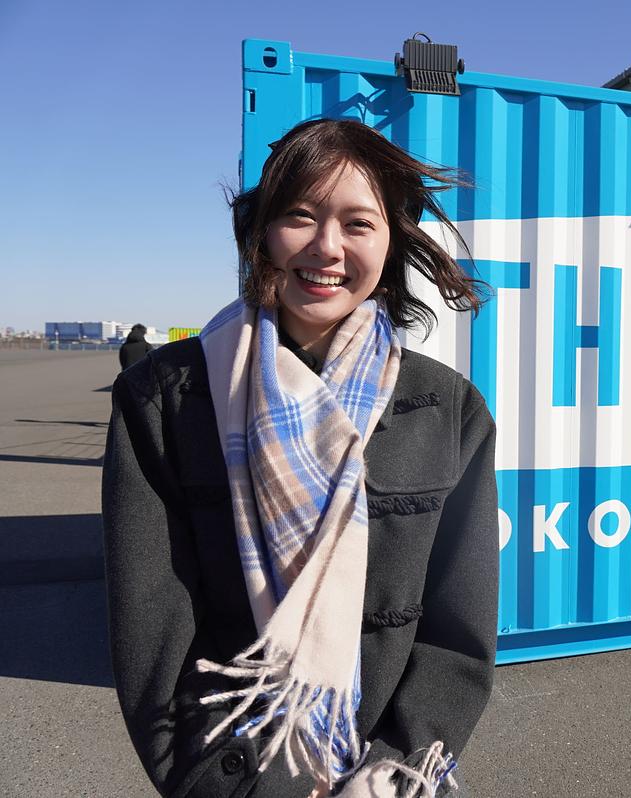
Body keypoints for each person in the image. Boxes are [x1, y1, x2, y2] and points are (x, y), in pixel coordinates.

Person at [102, 118, 498, 798]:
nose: (327, 247)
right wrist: (234, 783)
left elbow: (457, 630)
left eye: (358, 223)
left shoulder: (449, 407)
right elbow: (153, 632)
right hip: (232, 778)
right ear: (260, 231)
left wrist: (391, 769)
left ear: (392, 242)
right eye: (300, 216)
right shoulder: (162, 398)